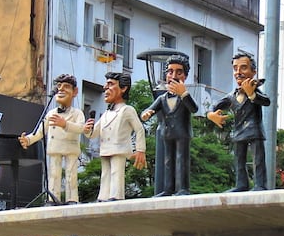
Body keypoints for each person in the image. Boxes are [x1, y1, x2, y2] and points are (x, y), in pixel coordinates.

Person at [207, 52, 271, 192]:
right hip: (238, 131)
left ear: (253, 72)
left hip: (254, 130)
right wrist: (211, 115)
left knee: (258, 159)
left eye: (243, 68)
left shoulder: (255, 90)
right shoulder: (232, 95)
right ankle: (241, 184)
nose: (238, 72)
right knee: (238, 160)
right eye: (235, 68)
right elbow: (215, 105)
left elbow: (266, 101)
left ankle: (260, 184)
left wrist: (251, 94)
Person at [19, 74, 86, 204]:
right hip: (54, 148)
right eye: (59, 86)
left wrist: (65, 124)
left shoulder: (77, 113)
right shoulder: (51, 113)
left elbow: (81, 128)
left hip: (70, 148)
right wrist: (28, 140)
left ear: (75, 92)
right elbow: (39, 132)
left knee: (71, 175)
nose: (61, 90)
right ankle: (52, 198)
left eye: (66, 87)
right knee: (54, 175)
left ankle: (72, 199)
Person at [84, 72, 147, 201]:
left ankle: (116, 195)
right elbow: (93, 134)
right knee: (105, 174)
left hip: (119, 149)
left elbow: (139, 129)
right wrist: (87, 129)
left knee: (116, 173)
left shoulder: (127, 110)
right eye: (106, 84)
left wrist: (140, 150)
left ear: (123, 88)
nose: (105, 88)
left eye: (110, 84)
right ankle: (103, 196)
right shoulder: (106, 113)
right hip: (106, 148)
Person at [141, 55, 198, 196]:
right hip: (167, 134)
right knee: (168, 161)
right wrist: (146, 114)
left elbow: (194, 109)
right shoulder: (162, 98)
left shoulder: (185, 96)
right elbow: (150, 109)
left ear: (185, 75)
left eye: (179, 72)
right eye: (170, 71)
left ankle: (182, 188)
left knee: (181, 160)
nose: (174, 76)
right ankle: (168, 188)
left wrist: (184, 93)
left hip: (182, 133)